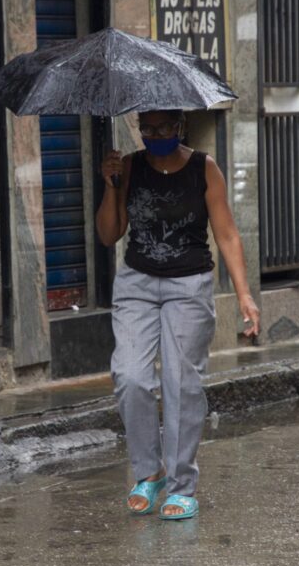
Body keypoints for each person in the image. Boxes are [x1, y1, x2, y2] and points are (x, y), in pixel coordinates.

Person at [97, 109, 260, 520]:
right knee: (130, 376)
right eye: (146, 128)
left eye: (164, 127)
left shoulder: (204, 168)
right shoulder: (129, 167)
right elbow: (108, 234)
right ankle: (149, 474)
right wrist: (111, 185)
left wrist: (244, 296)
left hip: (189, 285)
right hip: (136, 283)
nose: (155, 135)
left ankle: (181, 485)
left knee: (180, 381)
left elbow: (226, 233)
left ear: (180, 127)